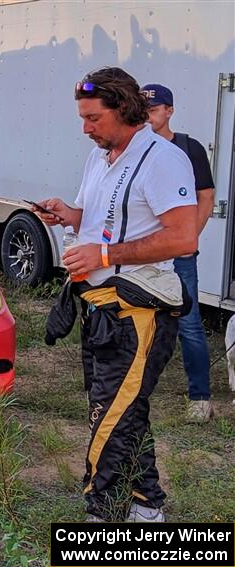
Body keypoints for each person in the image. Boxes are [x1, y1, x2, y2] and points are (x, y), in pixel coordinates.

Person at [34, 67, 197, 522]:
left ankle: (101, 515)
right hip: (98, 306)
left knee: (111, 415)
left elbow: (184, 237)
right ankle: (148, 507)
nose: (85, 128)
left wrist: (104, 254)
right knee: (124, 409)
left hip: (139, 311)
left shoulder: (163, 160)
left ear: (124, 110)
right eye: (82, 118)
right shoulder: (100, 156)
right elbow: (95, 215)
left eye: (93, 118)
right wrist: (67, 214)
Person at [142, 83, 215, 423]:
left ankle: (200, 397)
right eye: (142, 111)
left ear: (169, 111)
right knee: (139, 321)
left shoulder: (189, 149)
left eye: (153, 110)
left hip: (180, 255)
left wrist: (187, 238)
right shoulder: (137, 150)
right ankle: (132, 388)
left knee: (189, 324)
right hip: (142, 255)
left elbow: (206, 197)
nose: (147, 117)